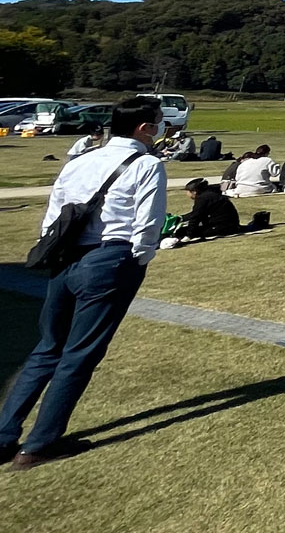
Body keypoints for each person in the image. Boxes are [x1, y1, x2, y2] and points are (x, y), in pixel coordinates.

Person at [1, 96, 168, 469]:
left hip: (66, 258)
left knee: (46, 349)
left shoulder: (82, 160)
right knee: (79, 354)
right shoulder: (147, 164)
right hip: (109, 257)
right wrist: (139, 258)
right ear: (145, 128)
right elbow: (149, 223)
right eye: (158, 122)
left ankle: (4, 435)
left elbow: (53, 215)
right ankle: (39, 445)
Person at [173, 177, 242, 240]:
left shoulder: (203, 199)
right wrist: (181, 218)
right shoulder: (211, 194)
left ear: (194, 191)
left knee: (181, 231)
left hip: (223, 227)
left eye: (187, 191)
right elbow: (197, 213)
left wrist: (189, 235)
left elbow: (196, 218)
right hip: (231, 225)